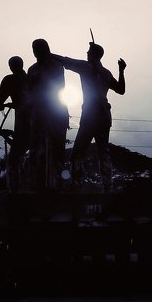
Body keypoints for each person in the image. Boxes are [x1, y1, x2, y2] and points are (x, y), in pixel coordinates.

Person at [53, 40, 126, 191]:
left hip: (91, 115)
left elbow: (66, 60)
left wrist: (48, 54)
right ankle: (108, 187)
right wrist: (121, 71)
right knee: (103, 152)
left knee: (77, 154)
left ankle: (76, 185)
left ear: (93, 54)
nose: (86, 53)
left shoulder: (85, 67)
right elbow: (121, 89)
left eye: (89, 51)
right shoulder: (106, 73)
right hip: (104, 115)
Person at [26, 39, 69, 190]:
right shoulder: (32, 69)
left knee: (57, 151)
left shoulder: (56, 66)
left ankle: (59, 184)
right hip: (38, 113)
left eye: (37, 48)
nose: (34, 51)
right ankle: (37, 183)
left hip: (55, 111)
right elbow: (29, 91)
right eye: (33, 48)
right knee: (36, 150)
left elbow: (58, 87)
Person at [0, 56, 30, 191]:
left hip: (23, 120)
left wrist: (3, 104)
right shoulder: (31, 78)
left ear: (10, 67)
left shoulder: (9, 79)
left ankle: (16, 189)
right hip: (38, 120)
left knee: (15, 157)